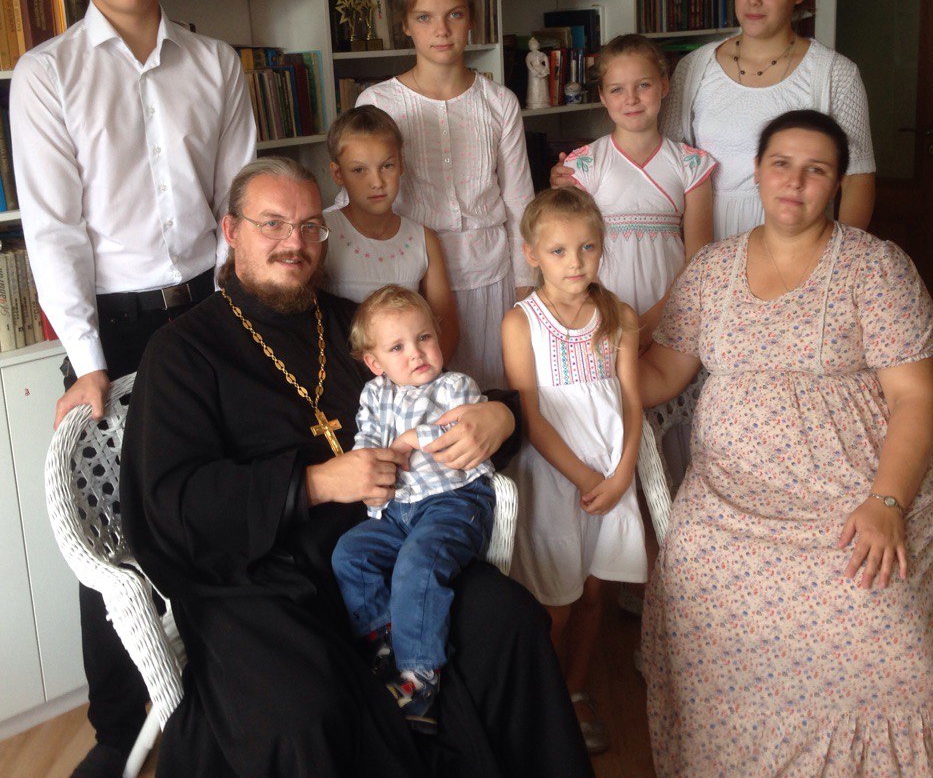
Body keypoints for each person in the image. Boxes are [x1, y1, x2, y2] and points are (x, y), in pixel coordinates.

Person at [120, 157, 594, 778]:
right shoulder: (182, 350)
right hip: (257, 581)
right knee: (304, 715)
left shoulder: (354, 325)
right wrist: (313, 483)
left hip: (388, 544)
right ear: (231, 231)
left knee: (508, 621)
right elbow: (169, 502)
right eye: (272, 224)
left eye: (309, 226)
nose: (294, 243)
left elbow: (442, 398)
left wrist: (500, 417)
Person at [10, 0, 256, 778]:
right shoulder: (47, 74)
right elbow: (54, 230)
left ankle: (226, 696)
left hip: (209, 310)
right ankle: (121, 729)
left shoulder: (215, 63)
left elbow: (237, 201)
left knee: (218, 499)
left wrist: (237, 312)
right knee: (113, 528)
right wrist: (85, 362)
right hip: (112, 327)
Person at [638, 110, 933, 776]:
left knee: (874, 606)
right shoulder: (712, 268)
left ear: (837, 183)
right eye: (781, 164)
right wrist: (594, 347)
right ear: (756, 172)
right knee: (693, 565)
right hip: (730, 494)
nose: (795, 181)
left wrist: (887, 501)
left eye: (816, 170)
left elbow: (916, 399)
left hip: (858, 490)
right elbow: (662, 375)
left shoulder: (875, 267)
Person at [553, 0, 877, 238]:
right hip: (705, 240)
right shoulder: (695, 67)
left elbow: (857, 179)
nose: (753, 0)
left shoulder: (835, 74)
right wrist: (581, 173)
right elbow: (658, 156)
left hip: (797, 242)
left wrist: (836, 260)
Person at [502, 188, 647, 756]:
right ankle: (543, 700)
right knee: (554, 605)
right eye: (559, 250)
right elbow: (531, 417)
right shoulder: (521, 322)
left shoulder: (619, 316)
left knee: (593, 593)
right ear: (532, 255)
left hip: (612, 472)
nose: (576, 261)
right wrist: (587, 481)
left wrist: (622, 473)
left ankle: (575, 688)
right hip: (555, 476)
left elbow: (632, 401)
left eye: (588, 247)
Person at [347, 0, 535, 388]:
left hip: (492, 277)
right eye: (425, 17)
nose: (441, 30)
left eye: (454, 14)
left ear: (471, 19)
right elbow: (362, 198)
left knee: (493, 394)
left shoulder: (499, 102)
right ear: (404, 24)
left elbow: (519, 200)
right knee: (422, 403)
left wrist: (525, 290)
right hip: (410, 283)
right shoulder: (379, 102)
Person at [332, 285, 495, 735]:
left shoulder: (455, 386)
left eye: (424, 338)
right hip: (398, 510)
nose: (416, 353)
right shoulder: (374, 394)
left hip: (455, 501)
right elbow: (366, 439)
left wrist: (411, 439)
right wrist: (369, 477)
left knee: (418, 563)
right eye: (398, 347)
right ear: (375, 363)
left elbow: (459, 429)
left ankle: (421, 678)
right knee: (350, 554)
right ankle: (384, 639)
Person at [556, 34, 715, 338]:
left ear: (664, 86)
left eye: (643, 85)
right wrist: (613, 319)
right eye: (617, 89)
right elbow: (571, 254)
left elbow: (698, 258)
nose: (631, 99)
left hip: (673, 314)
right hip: (601, 315)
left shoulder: (691, 165)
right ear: (603, 96)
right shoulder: (583, 165)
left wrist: (658, 319)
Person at [323, 105, 459, 361]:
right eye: (359, 170)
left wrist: (416, 378)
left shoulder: (423, 240)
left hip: (408, 377)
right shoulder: (325, 232)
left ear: (401, 165)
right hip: (341, 373)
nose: (377, 182)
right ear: (338, 173)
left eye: (386, 166)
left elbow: (447, 326)